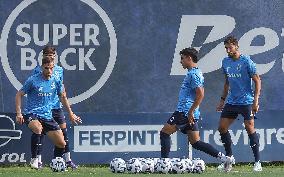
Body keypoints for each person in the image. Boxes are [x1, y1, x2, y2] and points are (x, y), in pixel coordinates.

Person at [159, 47, 232, 170]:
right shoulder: (194, 72)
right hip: (190, 113)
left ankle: (164, 164)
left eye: (182, 58)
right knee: (196, 143)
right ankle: (225, 159)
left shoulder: (194, 74)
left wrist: (191, 111)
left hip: (184, 112)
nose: (180, 61)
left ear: (189, 58)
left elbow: (201, 94)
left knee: (164, 133)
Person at [30, 46, 81, 169]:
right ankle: (38, 161)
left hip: (56, 107)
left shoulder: (59, 70)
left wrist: (70, 112)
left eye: (52, 54)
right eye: (47, 54)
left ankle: (66, 161)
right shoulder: (37, 70)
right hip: (43, 108)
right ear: (43, 56)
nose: (50, 56)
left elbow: (61, 91)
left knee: (63, 132)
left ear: (55, 56)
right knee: (40, 132)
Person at [216, 36, 262, 172]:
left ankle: (258, 162)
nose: (227, 50)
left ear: (236, 46)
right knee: (222, 128)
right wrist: (222, 100)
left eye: (229, 47)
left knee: (249, 127)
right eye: (226, 48)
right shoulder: (225, 62)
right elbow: (227, 82)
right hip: (231, 101)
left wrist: (256, 101)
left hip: (246, 102)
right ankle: (229, 158)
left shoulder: (246, 61)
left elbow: (257, 81)